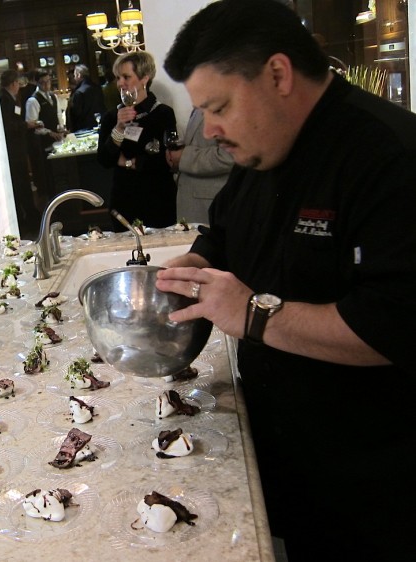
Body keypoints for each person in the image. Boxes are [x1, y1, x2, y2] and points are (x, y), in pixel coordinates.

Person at [156, 1, 416, 561]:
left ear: (277, 74)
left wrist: (254, 314)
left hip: (376, 486)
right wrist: (194, 268)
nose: (212, 129)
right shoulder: (258, 151)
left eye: (219, 107)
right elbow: (221, 231)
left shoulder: (388, 156)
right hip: (289, 461)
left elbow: (394, 327)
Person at [97, 51, 177, 231]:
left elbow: (166, 160)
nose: (120, 83)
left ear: (144, 79)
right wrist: (119, 129)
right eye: (118, 77)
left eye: (126, 77)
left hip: (158, 199)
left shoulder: (163, 114)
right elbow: (104, 160)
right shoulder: (111, 118)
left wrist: (127, 162)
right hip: (124, 201)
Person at [165, 109, 233, 223]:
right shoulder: (200, 105)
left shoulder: (226, 103)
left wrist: (184, 157)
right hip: (193, 204)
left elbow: (230, 156)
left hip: (211, 206)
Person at [0, 70, 41, 233]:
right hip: (13, 151)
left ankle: (30, 216)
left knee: (23, 183)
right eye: (17, 83)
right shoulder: (5, 99)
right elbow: (8, 126)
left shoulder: (11, 98)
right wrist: (26, 125)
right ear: (13, 83)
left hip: (18, 149)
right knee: (20, 184)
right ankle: (27, 220)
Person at [25, 71, 65, 198]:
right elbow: (33, 125)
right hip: (42, 142)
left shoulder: (53, 97)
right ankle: (50, 197)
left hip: (57, 139)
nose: (47, 85)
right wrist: (49, 132)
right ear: (37, 83)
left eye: (48, 81)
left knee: (58, 171)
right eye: (43, 82)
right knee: (47, 173)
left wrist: (61, 128)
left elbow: (58, 115)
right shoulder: (33, 100)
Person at [66, 64, 105, 132]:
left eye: (75, 76)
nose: (74, 78)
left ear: (79, 75)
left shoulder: (79, 92)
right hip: (100, 125)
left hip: (83, 129)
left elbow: (75, 115)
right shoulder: (98, 88)